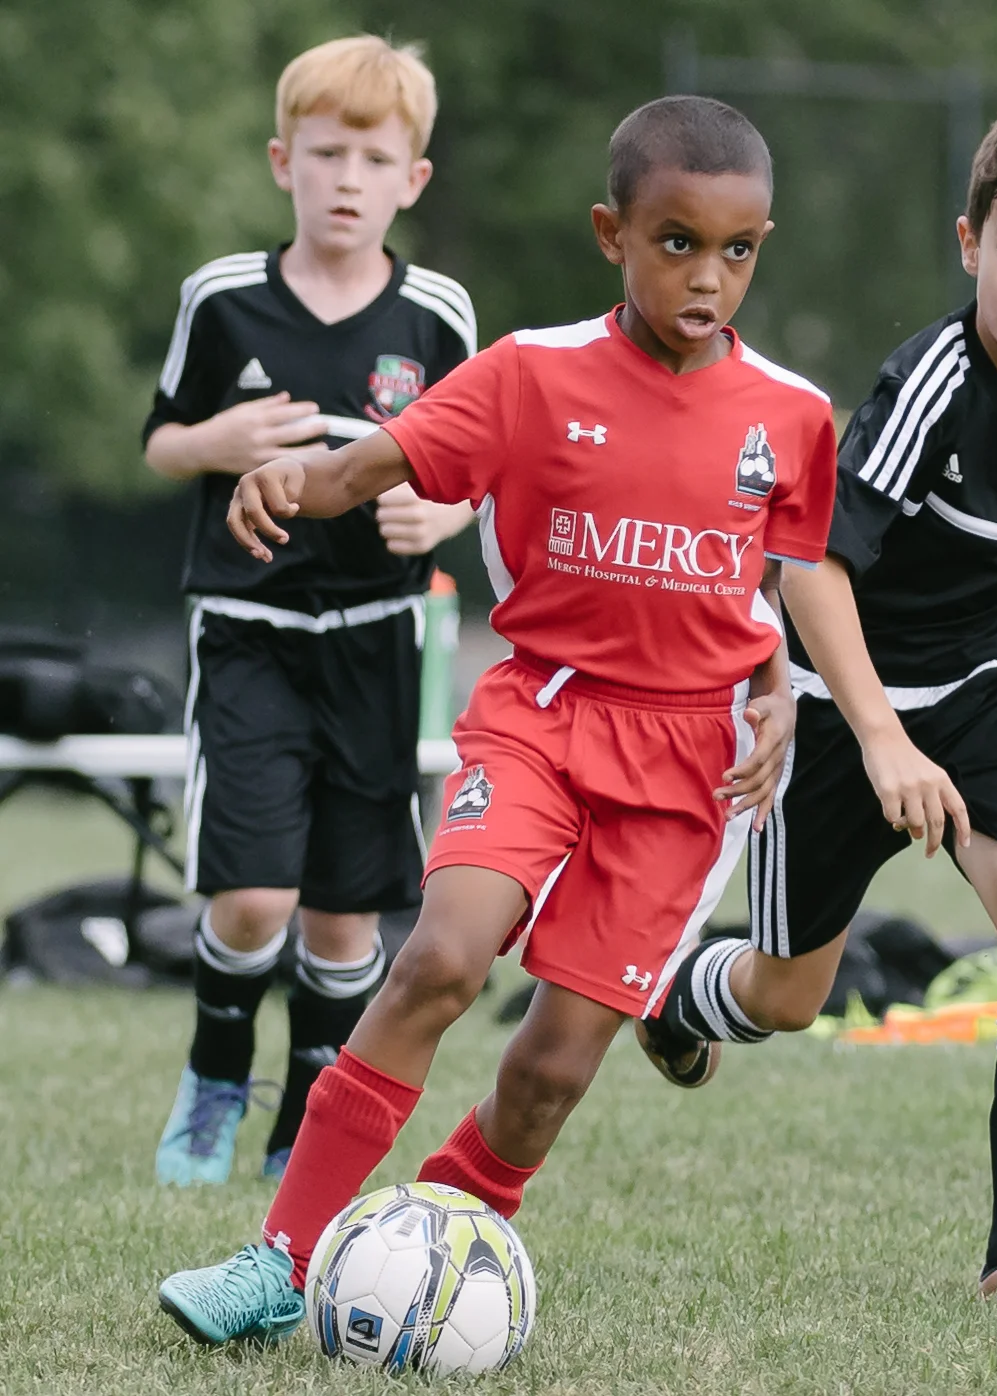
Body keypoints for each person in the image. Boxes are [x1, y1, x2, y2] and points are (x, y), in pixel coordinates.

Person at [156, 94, 837, 1347]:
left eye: (737, 250)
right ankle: (280, 1258)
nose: (708, 276)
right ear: (610, 234)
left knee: (550, 1072)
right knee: (441, 959)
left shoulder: (792, 415)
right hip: (543, 716)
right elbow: (367, 466)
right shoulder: (530, 373)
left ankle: (423, 1262)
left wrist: (779, 690)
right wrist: (279, 481)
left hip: (691, 768)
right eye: (675, 241)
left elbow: (794, 578)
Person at [638, 72, 997, 1303]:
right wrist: (880, 737)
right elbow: (808, 569)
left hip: (974, 700)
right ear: (971, 245)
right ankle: (679, 987)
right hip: (839, 716)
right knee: (789, 996)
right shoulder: (925, 392)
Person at [144, 35, 477, 1187]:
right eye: (325, 152)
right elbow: (159, 441)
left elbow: (478, 471)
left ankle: (304, 1120)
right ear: (284, 160)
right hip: (246, 631)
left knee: (344, 923)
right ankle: (213, 1075)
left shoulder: (437, 314)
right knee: (251, 896)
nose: (347, 178)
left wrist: (443, 522)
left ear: (412, 180)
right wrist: (213, 444)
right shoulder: (222, 300)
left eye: (373, 158)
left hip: (380, 641)